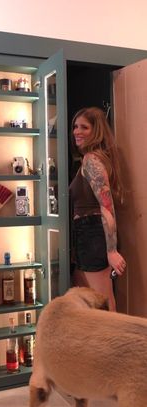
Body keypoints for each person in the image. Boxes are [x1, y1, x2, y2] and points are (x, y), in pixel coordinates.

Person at [69, 107, 126, 311]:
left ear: (97, 131)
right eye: (75, 126)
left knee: (103, 301)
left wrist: (111, 251)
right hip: (87, 235)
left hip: (92, 234)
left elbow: (107, 207)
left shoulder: (91, 160)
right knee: (85, 297)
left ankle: (114, 341)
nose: (77, 131)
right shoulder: (93, 159)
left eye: (84, 127)